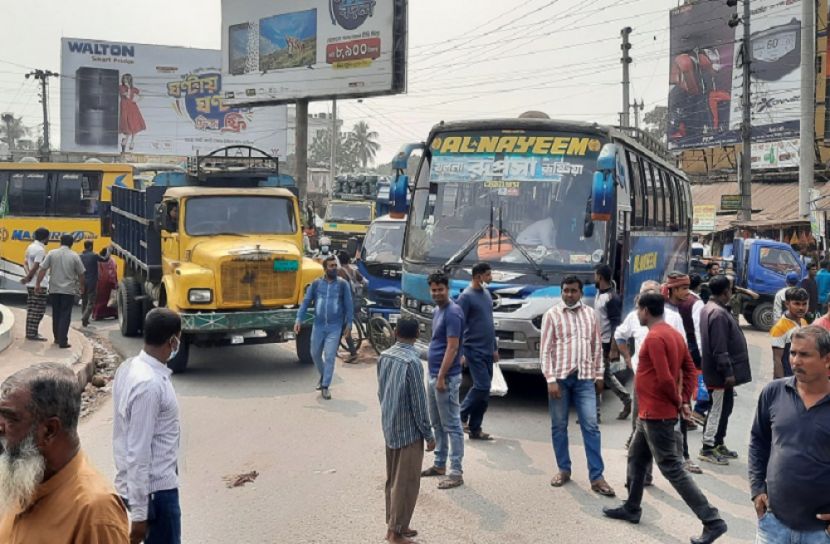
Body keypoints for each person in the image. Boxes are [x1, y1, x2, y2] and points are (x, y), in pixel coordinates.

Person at [603, 293, 727, 544]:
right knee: (637, 459)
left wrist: (679, 403)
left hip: (656, 415)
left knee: (672, 469)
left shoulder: (654, 338)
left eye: (638, 309)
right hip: (648, 414)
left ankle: (712, 521)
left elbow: (664, 378)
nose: (637, 313)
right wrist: (682, 401)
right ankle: (632, 507)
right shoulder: (673, 335)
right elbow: (690, 369)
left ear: (646, 310)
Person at [0, 363, 129, 543]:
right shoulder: (22, 480)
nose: (1, 428)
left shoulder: (95, 514)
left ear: (49, 431)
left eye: (11, 419)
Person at [749, 326, 830, 543]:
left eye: (804, 354)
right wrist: (757, 489)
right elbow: (758, 441)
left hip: (820, 532)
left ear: (827, 360)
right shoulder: (773, 392)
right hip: (773, 524)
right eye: (793, 353)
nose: (795, 361)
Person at [615, 280, 701, 475]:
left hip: (668, 385)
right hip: (642, 384)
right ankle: (640, 484)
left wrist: (681, 398)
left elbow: (673, 368)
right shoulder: (634, 317)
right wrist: (628, 359)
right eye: (645, 293)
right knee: (639, 430)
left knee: (673, 432)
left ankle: (681, 460)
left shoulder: (668, 323)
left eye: (652, 293)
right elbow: (619, 335)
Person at [113, 308, 183, 544]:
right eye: (178, 338)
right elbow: (138, 451)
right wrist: (141, 516)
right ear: (172, 341)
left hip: (146, 491)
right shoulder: (149, 385)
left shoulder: (130, 367)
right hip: (156, 495)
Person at [541, 275, 615, 497]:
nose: (569, 294)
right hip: (560, 380)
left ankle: (597, 476)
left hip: (585, 379)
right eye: (566, 290)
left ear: (581, 293)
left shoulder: (590, 315)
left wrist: (599, 375)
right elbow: (545, 351)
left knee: (591, 426)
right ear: (561, 292)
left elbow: (596, 347)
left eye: (573, 291)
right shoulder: (552, 315)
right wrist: (550, 379)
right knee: (559, 426)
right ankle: (563, 469)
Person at [377, 318, 435, 544]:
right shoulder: (413, 362)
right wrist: (429, 435)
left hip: (390, 426)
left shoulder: (385, 356)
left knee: (393, 479)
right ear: (417, 334)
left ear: (395, 331)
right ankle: (395, 533)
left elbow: (381, 391)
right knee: (407, 483)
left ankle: (395, 524)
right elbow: (419, 405)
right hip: (409, 433)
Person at [698, 275, 752, 466]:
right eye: (731, 289)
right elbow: (719, 348)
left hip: (720, 372)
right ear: (725, 292)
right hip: (719, 374)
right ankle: (707, 447)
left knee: (725, 407)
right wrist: (728, 372)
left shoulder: (713, 308)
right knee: (716, 409)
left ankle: (719, 441)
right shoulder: (718, 314)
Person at [420, 271, 465, 490]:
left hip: (444, 377)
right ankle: (439, 464)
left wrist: (442, 376)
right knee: (437, 423)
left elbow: (453, 346)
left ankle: (456, 472)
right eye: (434, 290)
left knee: (452, 425)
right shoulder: (438, 310)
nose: (437, 293)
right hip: (434, 373)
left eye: (441, 289)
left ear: (448, 288)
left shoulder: (453, 312)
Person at [294, 255, 353, 400]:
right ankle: (323, 375)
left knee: (330, 356)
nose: (334, 268)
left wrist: (349, 323)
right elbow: (306, 302)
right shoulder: (316, 284)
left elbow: (349, 304)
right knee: (314, 354)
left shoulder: (342, 284)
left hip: (335, 326)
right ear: (325, 268)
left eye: (335, 265)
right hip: (318, 325)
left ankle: (325, 386)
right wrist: (298, 319)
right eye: (331, 266)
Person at [662, 272, 702, 471]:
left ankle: (682, 455)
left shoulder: (685, 306)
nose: (688, 292)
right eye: (684, 288)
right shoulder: (669, 313)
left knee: (681, 411)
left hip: (683, 365)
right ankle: (682, 457)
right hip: (672, 369)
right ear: (674, 290)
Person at [457, 262, 499, 440]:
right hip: (473, 349)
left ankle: (475, 428)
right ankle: (460, 414)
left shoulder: (486, 293)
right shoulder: (466, 297)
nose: (490, 278)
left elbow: (489, 321)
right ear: (478, 276)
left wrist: (495, 348)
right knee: (481, 385)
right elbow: (458, 325)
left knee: (484, 392)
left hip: (488, 349)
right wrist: (461, 352)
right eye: (487, 275)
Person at [594, 264, 631, 421]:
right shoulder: (600, 293)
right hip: (597, 341)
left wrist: (613, 349)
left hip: (605, 343)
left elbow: (616, 325)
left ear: (600, 277)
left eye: (595, 275)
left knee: (596, 377)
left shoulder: (611, 299)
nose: (594, 278)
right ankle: (626, 399)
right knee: (605, 375)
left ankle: (594, 413)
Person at [35, 234, 85, 349]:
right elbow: (81, 273)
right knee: (65, 315)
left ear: (60, 242)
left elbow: (43, 269)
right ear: (72, 244)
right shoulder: (75, 256)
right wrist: (82, 287)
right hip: (68, 290)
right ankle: (63, 340)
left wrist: (38, 283)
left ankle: (57, 338)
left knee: (56, 313)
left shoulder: (52, 253)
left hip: (54, 289)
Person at [769, 287, 809, 379]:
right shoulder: (780, 328)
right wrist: (782, 384)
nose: (801, 308)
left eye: (804, 304)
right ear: (787, 304)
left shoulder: (803, 322)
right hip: (788, 377)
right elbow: (777, 359)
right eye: (797, 304)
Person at [19, 227, 50, 341]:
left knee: (32, 309)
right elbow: (37, 266)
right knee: (39, 310)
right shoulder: (40, 250)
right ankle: (32, 334)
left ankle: (30, 332)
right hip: (39, 284)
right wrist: (29, 278)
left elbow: (25, 263)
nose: (49, 239)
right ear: (45, 237)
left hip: (31, 284)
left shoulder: (30, 247)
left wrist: (28, 278)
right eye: (48, 237)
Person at [337, 250, 368, 364]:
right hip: (357, 301)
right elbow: (366, 282)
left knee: (345, 326)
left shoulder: (340, 272)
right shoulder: (354, 270)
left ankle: (353, 353)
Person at [119, 73, 146, 153]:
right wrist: (128, 88)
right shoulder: (121, 87)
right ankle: (127, 140)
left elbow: (141, 95)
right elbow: (127, 96)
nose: (124, 81)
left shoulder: (133, 89)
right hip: (125, 108)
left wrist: (137, 100)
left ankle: (132, 141)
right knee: (127, 123)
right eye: (124, 79)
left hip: (132, 107)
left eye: (126, 79)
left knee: (134, 123)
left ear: (129, 80)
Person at [94, 248, 119, 320]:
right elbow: (115, 270)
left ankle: (98, 314)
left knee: (100, 299)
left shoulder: (98, 261)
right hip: (111, 282)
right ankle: (113, 313)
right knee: (111, 298)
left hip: (101, 282)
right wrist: (116, 282)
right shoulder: (112, 260)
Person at [79, 240, 100, 327]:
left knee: (84, 301)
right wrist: (109, 252)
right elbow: (105, 259)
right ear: (91, 247)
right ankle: (85, 317)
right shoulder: (94, 255)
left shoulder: (80, 256)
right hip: (92, 282)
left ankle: (85, 321)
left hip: (82, 282)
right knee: (91, 302)